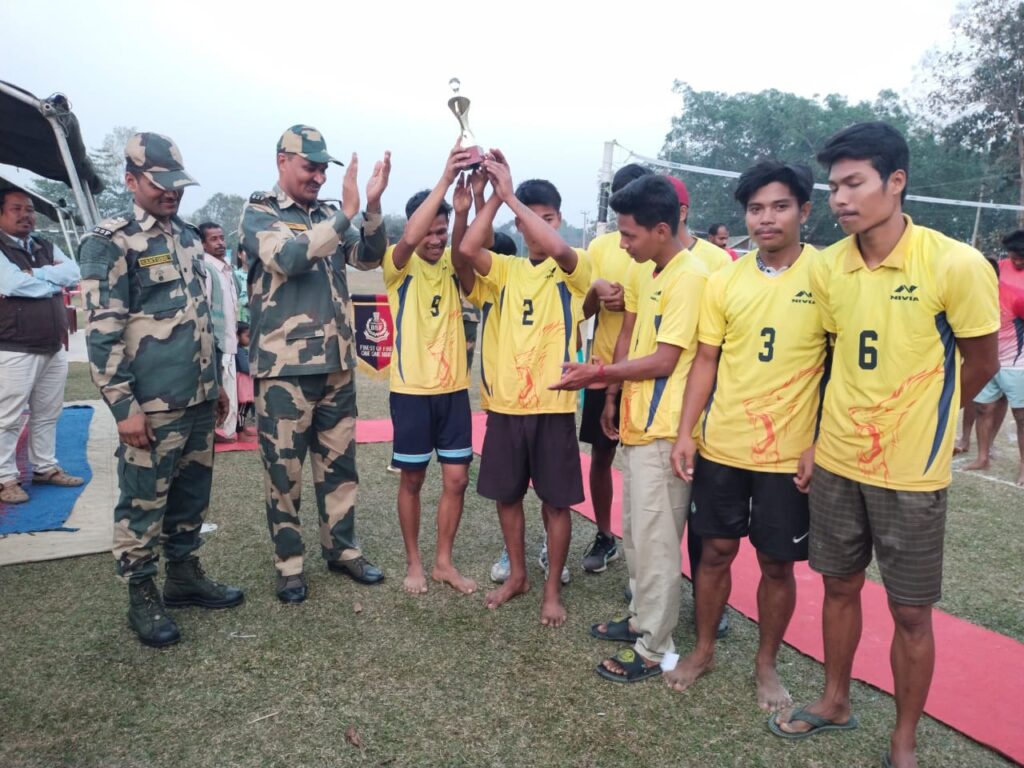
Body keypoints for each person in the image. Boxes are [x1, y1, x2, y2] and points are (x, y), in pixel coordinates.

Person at [769, 122, 999, 768]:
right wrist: (816, 439)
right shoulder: (828, 267)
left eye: (854, 183)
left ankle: (903, 738)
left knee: (911, 612)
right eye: (834, 187)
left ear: (895, 182)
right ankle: (835, 699)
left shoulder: (954, 264)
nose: (840, 199)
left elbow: (981, 361)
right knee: (838, 586)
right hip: (838, 461)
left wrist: (925, 417)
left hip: (910, 473)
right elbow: (833, 356)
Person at [664, 160, 826, 711]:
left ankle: (766, 664)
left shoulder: (829, 277)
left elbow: (838, 368)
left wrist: (818, 443)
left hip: (788, 454)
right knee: (715, 551)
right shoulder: (725, 279)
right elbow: (705, 360)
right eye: (756, 209)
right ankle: (704, 649)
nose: (766, 218)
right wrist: (686, 432)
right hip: (723, 446)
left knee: (777, 563)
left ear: (804, 211)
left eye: (780, 206)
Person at [78, 132, 242, 647]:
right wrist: (124, 408)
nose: (171, 192)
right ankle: (142, 594)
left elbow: (201, 317)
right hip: (151, 405)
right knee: (143, 502)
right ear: (131, 181)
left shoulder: (188, 237)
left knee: (191, 495)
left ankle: (184, 575)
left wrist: (215, 385)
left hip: (197, 397)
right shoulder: (110, 242)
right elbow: (102, 334)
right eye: (159, 183)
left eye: (177, 183)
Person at [553, 174, 707, 682]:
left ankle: (655, 646)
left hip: (666, 430)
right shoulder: (652, 271)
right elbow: (632, 337)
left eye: (629, 234)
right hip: (639, 424)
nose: (622, 244)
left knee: (659, 543)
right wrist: (613, 395)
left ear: (661, 229)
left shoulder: (690, 277)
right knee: (638, 535)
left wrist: (597, 375)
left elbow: (665, 359)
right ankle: (641, 618)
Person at [239, 125, 391, 604]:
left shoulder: (328, 213)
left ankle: (342, 550)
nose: (319, 177)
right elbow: (289, 257)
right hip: (284, 371)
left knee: (340, 467)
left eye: (324, 169)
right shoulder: (260, 211)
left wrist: (370, 208)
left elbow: (368, 258)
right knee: (283, 474)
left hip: (336, 365)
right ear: (282, 160)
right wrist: (346, 214)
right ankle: (290, 564)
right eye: (310, 167)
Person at [456, 150, 589, 627]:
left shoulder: (574, 268)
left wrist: (512, 197)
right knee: (507, 497)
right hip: (506, 407)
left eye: (545, 219)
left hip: (553, 406)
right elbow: (466, 250)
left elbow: (560, 250)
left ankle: (552, 588)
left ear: (558, 221)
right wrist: (494, 198)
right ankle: (518, 575)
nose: (534, 229)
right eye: (528, 220)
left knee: (556, 502)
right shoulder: (506, 270)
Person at [385, 144, 478, 596]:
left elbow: (464, 253)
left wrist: (461, 213)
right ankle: (414, 562)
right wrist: (444, 178)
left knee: (457, 478)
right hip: (411, 391)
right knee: (413, 478)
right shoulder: (397, 264)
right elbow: (408, 240)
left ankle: (443, 562)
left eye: (441, 232)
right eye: (430, 231)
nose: (436, 239)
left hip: (454, 390)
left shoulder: (452, 264)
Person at [574, 163, 650, 576]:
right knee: (601, 457)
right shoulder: (601, 248)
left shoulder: (666, 249)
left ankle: (648, 553)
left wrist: (634, 302)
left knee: (647, 469)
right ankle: (605, 535)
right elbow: (582, 311)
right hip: (603, 369)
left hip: (652, 374)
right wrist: (597, 294)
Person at [666, 175, 733, 639]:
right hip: (671, 410)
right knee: (671, 513)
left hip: (713, 407)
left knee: (703, 522)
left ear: (681, 212)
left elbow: (716, 349)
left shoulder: (716, 262)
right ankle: (659, 594)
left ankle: (705, 602)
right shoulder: (651, 261)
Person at [0, 189, 83, 504]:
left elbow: (74, 272)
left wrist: (36, 274)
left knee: (48, 412)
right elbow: (11, 283)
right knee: (7, 417)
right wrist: (53, 282)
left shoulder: (43, 245)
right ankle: (5, 478)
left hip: (52, 344)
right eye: (16, 208)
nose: (26, 215)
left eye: (30, 209)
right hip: (14, 346)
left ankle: (45, 467)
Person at [966, 230, 1024, 485]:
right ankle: (983, 457)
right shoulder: (997, 268)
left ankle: (1023, 467)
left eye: (1021, 256)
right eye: (1013, 255)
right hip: (989, 351)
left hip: (1018, 359)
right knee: (982, 407)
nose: (1016, 260)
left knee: (1021, 415)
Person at [199, 221, 240, 443]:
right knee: (220, 386)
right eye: (213, 239)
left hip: (230, 339)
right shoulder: (206, 269)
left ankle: (226, 430)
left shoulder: (226, 269)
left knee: (229, 385)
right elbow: (204, 308)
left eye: (222, 238)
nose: (220, 243)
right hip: (216, 342)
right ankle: (218, 431)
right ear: (203, 244)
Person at [235, 321, 255, 438]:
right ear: (237, 336)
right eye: (247, 336)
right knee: (242, 408)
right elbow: (244, 367)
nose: (250, 339)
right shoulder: (239, 351)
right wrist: (255, 368)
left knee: (244, 408)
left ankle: (243, 428)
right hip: (243, 384)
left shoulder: (241, 350)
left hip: (245, 383)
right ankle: (240, 433)